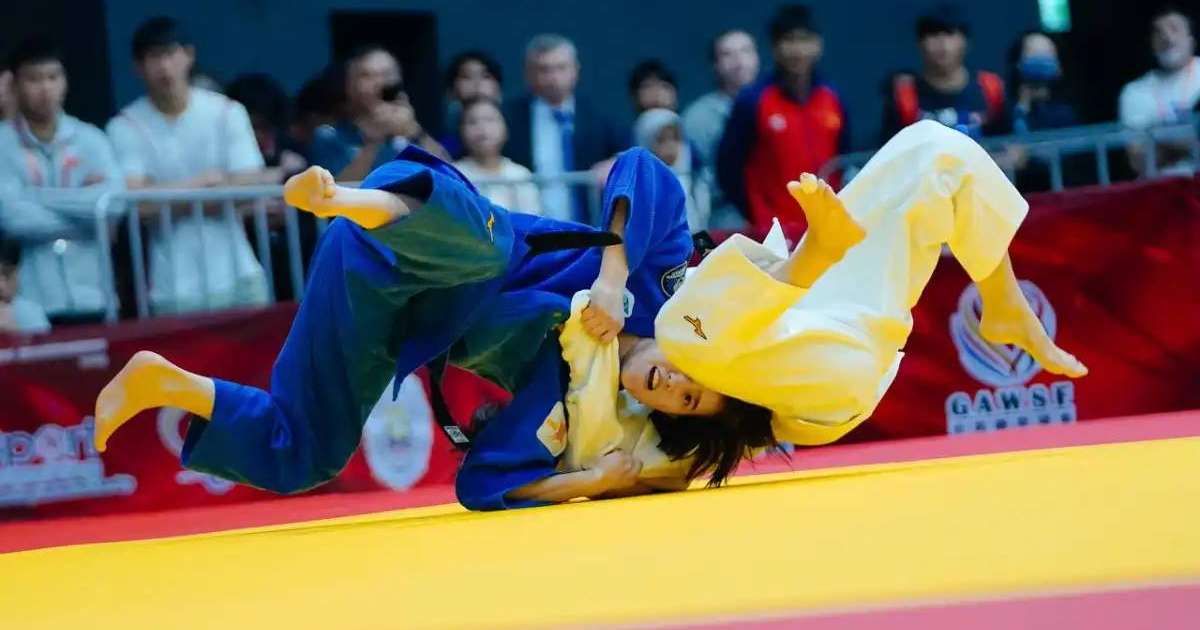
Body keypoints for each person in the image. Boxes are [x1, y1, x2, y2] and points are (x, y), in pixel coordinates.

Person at [92, 145, 737, 509]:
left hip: (384, 301)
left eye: (681, 402)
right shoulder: (657, 288)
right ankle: (337, 198)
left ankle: (167, 383)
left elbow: (483, 482)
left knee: (307, 454)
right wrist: (614, 274)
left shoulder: (570, 395)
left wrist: (594, 480)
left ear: (653, 411)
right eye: (693, 378)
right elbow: (643, 169)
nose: (672, 381)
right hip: (420, 227)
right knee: (488, 244)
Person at [657, 120, 1086, 448]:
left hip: (830, 313)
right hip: (817, 388)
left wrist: (613, 275)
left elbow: (638, 170)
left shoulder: (621, 316)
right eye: (690, 400)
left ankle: (1003, 303)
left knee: (936, 150)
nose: (673, 383)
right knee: (681, 337)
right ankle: (816, 255)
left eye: (674, 386)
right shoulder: (668, 347)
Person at [105, 16, 271, 315]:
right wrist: (205, 185)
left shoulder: (226, 111)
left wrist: (164, 196)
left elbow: (250, 185)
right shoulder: (124, 126)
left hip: (241, 275)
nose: (164, 67)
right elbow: (137, 203)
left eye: (170, 54)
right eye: (154, 57)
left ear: (188, 55)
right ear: (138, 68)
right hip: (173, 287)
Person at [0, 36, 124, 325]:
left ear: (65, 81)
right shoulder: (2, 143)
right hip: (32, 303)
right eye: (33, 79)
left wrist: (35, 196)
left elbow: (113, 205)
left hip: (95, 293)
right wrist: (87, 215)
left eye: (52, 77)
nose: (45, 88)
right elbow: (12, 218)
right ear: (15, 85)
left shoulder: (91, 138)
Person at [717, 4, 849, 234]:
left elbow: (843, 162)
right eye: (789, 41)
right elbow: (728, 168)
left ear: (818, 45)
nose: (798, 50)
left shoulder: (832, 99)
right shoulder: (753, 101)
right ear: (775, 47)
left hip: (826, 231)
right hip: (773, 234)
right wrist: (759, 216)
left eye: (805, 40)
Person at [504, 34, 626, 223]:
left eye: (561, 68)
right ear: (528, 74)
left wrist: (616, 163)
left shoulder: (599, 115)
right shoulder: (509, 117)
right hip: (531, 231)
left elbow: (631, 149)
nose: (553, 77)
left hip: (588, 229)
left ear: (576, 70)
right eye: (543, 69)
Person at [310, 44, 449, 181]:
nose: (379, 83)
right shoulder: (329, 136)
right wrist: (373, 143)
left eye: (387, 74)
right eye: (367, 76)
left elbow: (453, 179)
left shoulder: (413, 132)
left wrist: (416, 132)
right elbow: (336, 190)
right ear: (350, 86)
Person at [881, 3, 1007, 141]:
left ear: (965, 41)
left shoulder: (991, 87)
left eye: (950, 33)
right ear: (919, 44)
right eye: (933, 35)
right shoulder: (905, 94)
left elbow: (1010, 141)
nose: (942, 44)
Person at [682, 29, 760, 230]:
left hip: (780, 212)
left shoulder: (776, 105)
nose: (738, 61)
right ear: (715, 65)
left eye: (746, 51)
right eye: (727, 54)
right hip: (723, 219)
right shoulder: (697, 118)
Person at [1119, 6, 1200, 177]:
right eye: (1159, 32)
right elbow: (1138, 161)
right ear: (1151, 44)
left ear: (1191, 40)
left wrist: (1162, 142)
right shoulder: (1134, 92)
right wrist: (1189, 144)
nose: (1167, 37)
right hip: (1160, 193)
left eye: (1174, 28)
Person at [453, 97, 541, 215]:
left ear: (506, 128)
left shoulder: (520, 175)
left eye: (490, 120)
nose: (482, 129)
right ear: (461, 130)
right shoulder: (453, 175)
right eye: (472, 122)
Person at [634, 108, 708, 230]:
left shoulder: (695, 179)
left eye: (675, 138)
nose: (670, 146)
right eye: (661, 140)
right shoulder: (642, 185)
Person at [226, 73, 308, 182]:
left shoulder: (289, 152)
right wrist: (280, 174)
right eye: (254, 127)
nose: (261, 135)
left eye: (266, 127)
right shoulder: (219, 154)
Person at [440, 51, 503, 158]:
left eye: (485, 76)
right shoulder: (444, 133)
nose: (477, 82)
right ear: (452, 90)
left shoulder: (515, 125)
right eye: (466, 76)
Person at [0, 236, 50, 334]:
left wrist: (13, 334)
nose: (1, 286)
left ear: (18, 272)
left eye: (7, 275)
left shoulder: (32, 314)